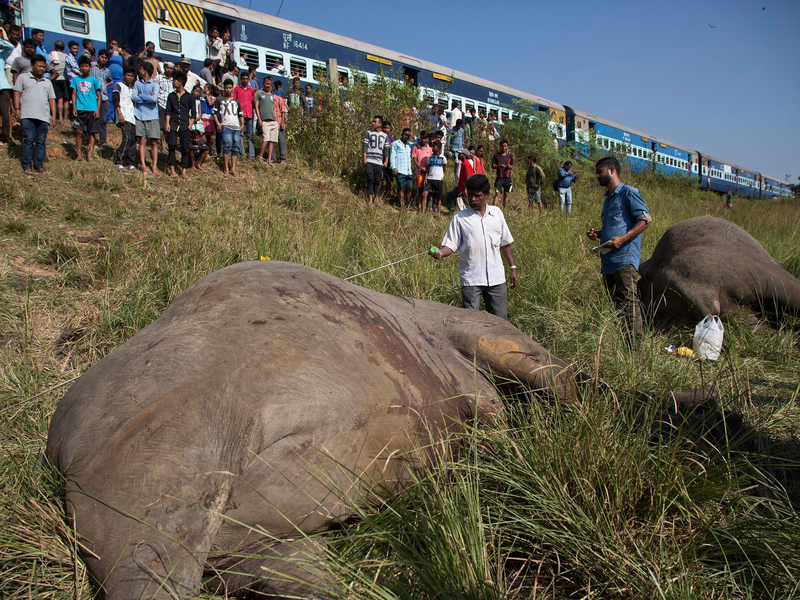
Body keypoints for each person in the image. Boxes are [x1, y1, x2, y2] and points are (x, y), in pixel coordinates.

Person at [430, 174, 518, 320]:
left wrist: (513, 267)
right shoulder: (459, 218)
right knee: (470, 322)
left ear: (487, 196)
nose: (472, 199)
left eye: (477, 195)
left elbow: (505, 243)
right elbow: (450, 245)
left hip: (496, 278)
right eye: (470, 195)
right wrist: (440, 252)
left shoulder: (497, 214)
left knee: (500, 322)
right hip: (472, 280)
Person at [586, 156, 651, 346]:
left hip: (623, 261)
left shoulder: (628, 193)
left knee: (630, 306)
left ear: (612, 170)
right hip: (608, 263)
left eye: (600, 171)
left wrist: (622, 239)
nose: (597, 175)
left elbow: (646, 220)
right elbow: (614, 227)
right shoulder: (608, 199)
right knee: (617, 308)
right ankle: (623, 345)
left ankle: (636, 351)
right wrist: (598, 234)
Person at [13, 54, 55, 173]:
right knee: (29, 139)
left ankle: (39, 166)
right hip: (27, 114)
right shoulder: (23, 78)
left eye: (43, 67)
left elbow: (52, 99)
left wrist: (53, 115)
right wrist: (17, 109)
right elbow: (17, 93)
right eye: (39, 66)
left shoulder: (47, 82)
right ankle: (27, 165)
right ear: (32, 66)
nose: (42, 69)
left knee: (41, 142)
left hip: (43, 116)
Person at [70, 55, 100, 162]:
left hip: (92, 109)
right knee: (78, 131)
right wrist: (74, 107)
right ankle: (78, 155)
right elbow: (73, 94)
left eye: (86, 66)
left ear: (89, 67)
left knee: (92, 132)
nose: (84, 68)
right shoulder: (75, 79)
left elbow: (98, 95)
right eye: (82, 66)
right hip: (80, 109)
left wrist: (97, 109)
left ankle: (89, 154)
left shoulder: (94, 80)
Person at [165, 70, 195, 180]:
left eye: (175, 80)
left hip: (184, 124)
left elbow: (194, 113)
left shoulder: (189, 97)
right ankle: (172, 169)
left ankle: (183, 171)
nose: (173, 82)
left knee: (185, 148)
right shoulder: (171, 96)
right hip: (173, 123)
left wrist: (190, 124)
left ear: (181, 82)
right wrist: (167, 123)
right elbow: (168, 110)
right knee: (172, 146)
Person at [133, 60, 160, 174]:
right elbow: (133, 97)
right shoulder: (137, 84)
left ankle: (154, 166)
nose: (139, 71)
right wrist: (148, 97)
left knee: (154, 142)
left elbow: (154, 99)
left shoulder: (155, 85)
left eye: (141, 69)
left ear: (146, 70)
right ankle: (143, 165)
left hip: (152, 116)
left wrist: (142, 95)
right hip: (139, 115)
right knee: (142, 140)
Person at [213, 78, 243, 177]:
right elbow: (214, 112)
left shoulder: (236, 101)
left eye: (230, 88)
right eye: (226, 88)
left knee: (236, 147)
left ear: (232, 88)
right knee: (227, 145)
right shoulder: (219, 100)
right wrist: (218, 123)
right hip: (226, 125)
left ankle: (233, 168)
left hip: (236, 126)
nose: (228, 90)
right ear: (224, 88)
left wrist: (242, 124)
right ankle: (226, 168)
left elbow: (240, 114)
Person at [111, 67, 137, 171]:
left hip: (132, 117)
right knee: (126, 138)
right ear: (124, 76)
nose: (130, 78)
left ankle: (130, 163)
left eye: (132, 76)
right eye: (128, 75)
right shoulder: (118, 86)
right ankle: (119, 161)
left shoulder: (132, 89)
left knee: (133, 140)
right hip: (123, 116)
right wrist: (119, 114)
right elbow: (116, 100)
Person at [362, 115, 389, 206]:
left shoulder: (384, 136)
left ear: (380, 124)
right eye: (373, 121)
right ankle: (370, 199)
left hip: (378, 161)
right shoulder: (368, 133)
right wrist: (364, 159)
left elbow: (386, 149)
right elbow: (365, 147)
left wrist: (386, 161)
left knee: (378, 180)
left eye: (375, 122)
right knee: (370, 178)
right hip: (369, 160)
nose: (373, 123)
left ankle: (376, 198)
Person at [89, 49, 111, 148]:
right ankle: (89, 141)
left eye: (106, 58)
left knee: (103, 120)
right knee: (92, 119)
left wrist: (105, 85)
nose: (103, 59)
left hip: (104, 97)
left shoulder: (107, 70)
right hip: (92, 96)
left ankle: (103, 141)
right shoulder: (92, 66)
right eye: (102, 57)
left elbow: (110, 80)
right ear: (98, 57)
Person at [254, 76, 277, 164]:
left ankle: (269, 158)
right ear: (263, 83)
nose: (268, 86)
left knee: (272, 140)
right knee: (265, 139)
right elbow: (256, 107)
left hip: (273, 121)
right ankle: (260, 156)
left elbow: (273, 107)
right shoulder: (259, 94)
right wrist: (259, 119)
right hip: (264, 120)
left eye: (269, 84)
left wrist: (275, 119)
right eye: (266, 84)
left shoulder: (271, 95)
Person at [232, 70, 255, 158]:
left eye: (246, 79)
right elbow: (234, 100)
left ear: (248, 79)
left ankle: (251, 154)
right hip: (240, 114)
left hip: (249, 114)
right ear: (241, 79)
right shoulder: (237, 89)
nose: (245, 80)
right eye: (243, 79)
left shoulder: (251, 90)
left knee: (250, 135)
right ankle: (242, 153)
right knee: (240, 133)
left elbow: (253, 102)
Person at [390, 127, 414, 209]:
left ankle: (408, 205)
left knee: (409, 188)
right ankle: (402, 206)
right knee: (401, 188)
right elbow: (392, 156)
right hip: (399, 170)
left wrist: (413, 135)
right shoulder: (395, 144)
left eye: (408, 135)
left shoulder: (410, 145)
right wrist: (393, 167)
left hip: (408, 171)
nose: (406, 136)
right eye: (405, 134)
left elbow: (420, 142)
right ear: (402, 134)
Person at [154, 61, 173, 153]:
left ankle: (171, 146)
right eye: (167, 68)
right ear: (164, 68)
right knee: (162, 126)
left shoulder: (174, 80)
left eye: (170, 68)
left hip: (171, 106)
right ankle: (162, 146)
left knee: (170, 127)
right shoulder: (158, 78)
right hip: (161, 103)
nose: (169, 70)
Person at [422, 140, 446, 215]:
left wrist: (441, 176)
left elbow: (444, 168)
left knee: (438, 197)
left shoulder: (443, 158)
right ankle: (423, 212)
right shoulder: (430, 158)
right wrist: (426, 176)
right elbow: (428, 168)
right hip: (430, 179)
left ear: (438, 148)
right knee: (425, 193)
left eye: (434, 146)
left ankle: (438, 213)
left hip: (438, 179)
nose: (432, 148)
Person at [48, 40, 68, 122]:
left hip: (55, 79)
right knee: (66, 99)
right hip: (65, 79)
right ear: (63, 48)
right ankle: (65, 117)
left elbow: (48, 66)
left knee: (59, 98)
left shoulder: (51, 55)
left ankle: (59, 117)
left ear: (55, 47)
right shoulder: (66, 56)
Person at [412, 131, 432, 213]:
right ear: (420, 137)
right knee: (420, 191)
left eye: (425, 138)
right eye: (422, 138)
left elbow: (431, 161)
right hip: (419, 173)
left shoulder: (430, 149)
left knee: (427, 192)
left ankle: (427, 208)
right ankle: (419, 208)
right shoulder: (415, 148)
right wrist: (421, 168)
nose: (424, 140)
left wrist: (427, 170)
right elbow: (414, 160)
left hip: (428, 174)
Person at [0, 34, 14, 145]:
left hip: (3, 88)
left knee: (5, 113)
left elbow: (10, 47)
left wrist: (0, 40)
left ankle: (6, 137)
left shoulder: (1, 55)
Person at [491, 139, 513, 210]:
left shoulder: (509, 156)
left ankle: (504, 210)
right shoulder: (496, 156)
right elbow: (493, 166)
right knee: (497, 194)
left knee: (506, 194)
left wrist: (510, 167)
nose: (504, 148)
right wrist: (499, 166)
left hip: (507, 178)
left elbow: (511, 165)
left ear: (507, 146)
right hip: (499, 178)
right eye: (502, 146)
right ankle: (493, 209)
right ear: (500, 146)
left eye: (505, 146)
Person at [200, 83, 217, 155]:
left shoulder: (213, 98)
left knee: (208, 135)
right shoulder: (201, 98)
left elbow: (210, 104)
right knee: (201, 133)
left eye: (205, 88)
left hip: (209, 117)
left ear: (209, 90)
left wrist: (207, 96)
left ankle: (209, 148)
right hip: (202, 116)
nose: (204, 89)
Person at [380, 120, 394, 199]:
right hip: (381, 160)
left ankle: (387, 197)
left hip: (389, 161)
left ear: (390, 129)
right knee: (380, 179)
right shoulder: (380, 137)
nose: (386, 129)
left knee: (389, 180)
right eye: (384, 128)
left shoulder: (391, 139)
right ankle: (378, 195)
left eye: (387, 128)